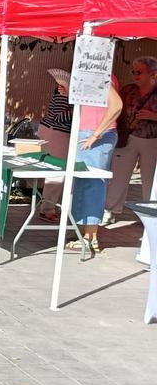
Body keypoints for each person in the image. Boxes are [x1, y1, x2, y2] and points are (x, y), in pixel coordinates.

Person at [71, 74, 121, 254]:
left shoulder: (101, 74)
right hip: (87, 132)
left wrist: (95, 134)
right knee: (84, 184)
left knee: (93, 185)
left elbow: (117, 105)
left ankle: (90, 237)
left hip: (96, 134)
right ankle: (85, 234)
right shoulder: (93, 74)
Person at [105, 56, 157, 225]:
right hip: (127, 137)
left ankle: (150, 214)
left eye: (139, 72)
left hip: (152, 140)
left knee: (150, 179)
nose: (135, 75)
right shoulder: (128, 90)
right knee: (118, 176)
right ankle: (110, 210)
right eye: (133, 71)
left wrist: (153, 116)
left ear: (153, 74)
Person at [37, 83, 75, 221]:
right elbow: (59, 117)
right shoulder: (64, 89)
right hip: (57, 133)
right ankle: (47, 209)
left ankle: (48, 205)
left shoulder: (65, 88)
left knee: (55, 171)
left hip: (52, 130)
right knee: (57, 172)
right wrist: (75, 107)